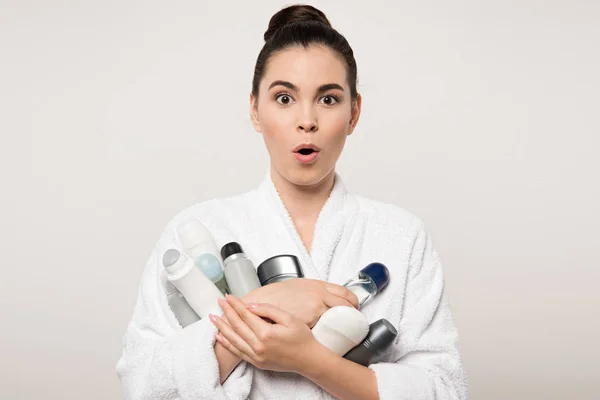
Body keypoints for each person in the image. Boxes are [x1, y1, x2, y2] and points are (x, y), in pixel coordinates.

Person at [116, 4, 467, 399]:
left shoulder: (401, 237)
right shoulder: (198, 229)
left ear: (354, 113)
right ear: (255, 110)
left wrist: (309, 360)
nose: (307, 120)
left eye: (328, 99)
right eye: (284, 98)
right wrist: (268, 302)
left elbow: (444, 389)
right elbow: (143, 385)